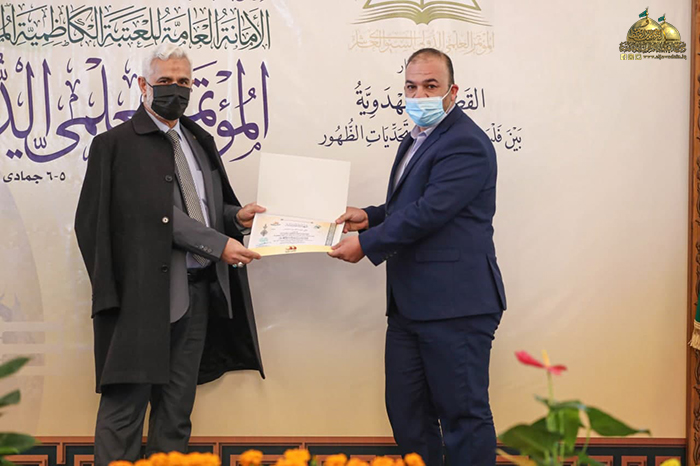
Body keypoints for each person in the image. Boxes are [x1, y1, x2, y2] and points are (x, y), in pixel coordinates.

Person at [75, 44, 266, 466]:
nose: (175, 90)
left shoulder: (197, 140)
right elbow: (156, 214)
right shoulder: (116, 145)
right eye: (164, 81)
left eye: (183, 82)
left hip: (196, 297)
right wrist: (218, 244)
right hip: (138, 301)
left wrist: (235, 218)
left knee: (176, 415)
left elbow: (203, 206)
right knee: (124, 414)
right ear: (143, 85)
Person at [329, 48, 507, 466]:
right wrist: (370, 217)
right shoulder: (417, 137)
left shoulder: (465, 143)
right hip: (410, 307)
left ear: (453, 91)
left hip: (456, 306)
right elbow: (413, 204)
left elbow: (431, 212)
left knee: (463, 419)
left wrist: (367, 244)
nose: (419, 95)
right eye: (411, 87)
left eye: (430, 86)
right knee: (408, 416)